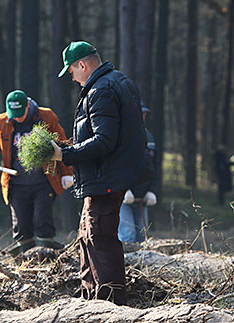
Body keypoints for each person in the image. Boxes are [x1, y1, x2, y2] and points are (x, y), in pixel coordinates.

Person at [51, 41, 154, 305]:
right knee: (87, 234)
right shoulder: (114, 82)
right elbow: (108, 136)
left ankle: (109, 305)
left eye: (71, 71)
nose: (71, 77)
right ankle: (90, 299)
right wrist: (69, 147)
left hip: (107, 178)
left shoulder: (101, 90)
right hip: (106, 176)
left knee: (99, 237)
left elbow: (104, 141)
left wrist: (65, 155)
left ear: (82, 65)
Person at [0, 90, 73, 255]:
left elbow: (62, 143)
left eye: (20, 113)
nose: (17, 117)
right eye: (13, 114)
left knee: (42, 219)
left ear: (28, 106)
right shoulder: (1, 121)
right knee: (21, 223)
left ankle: (47, 256)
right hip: (15, 184)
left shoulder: (46, 117)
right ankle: (26, 259)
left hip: (44, 181)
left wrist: (67, 173)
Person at [118, 104, 157, 243]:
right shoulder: (121, 136)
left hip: (143, 195)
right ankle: (124, 264)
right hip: (124, 195)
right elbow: (117, 166)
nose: (143, 117)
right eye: (140, 113)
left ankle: (141, 265)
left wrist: (151, 190)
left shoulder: (149, 137)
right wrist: (124, 189)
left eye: (144, 114)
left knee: (142, 237)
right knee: (127, 235)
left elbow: (153, 167)